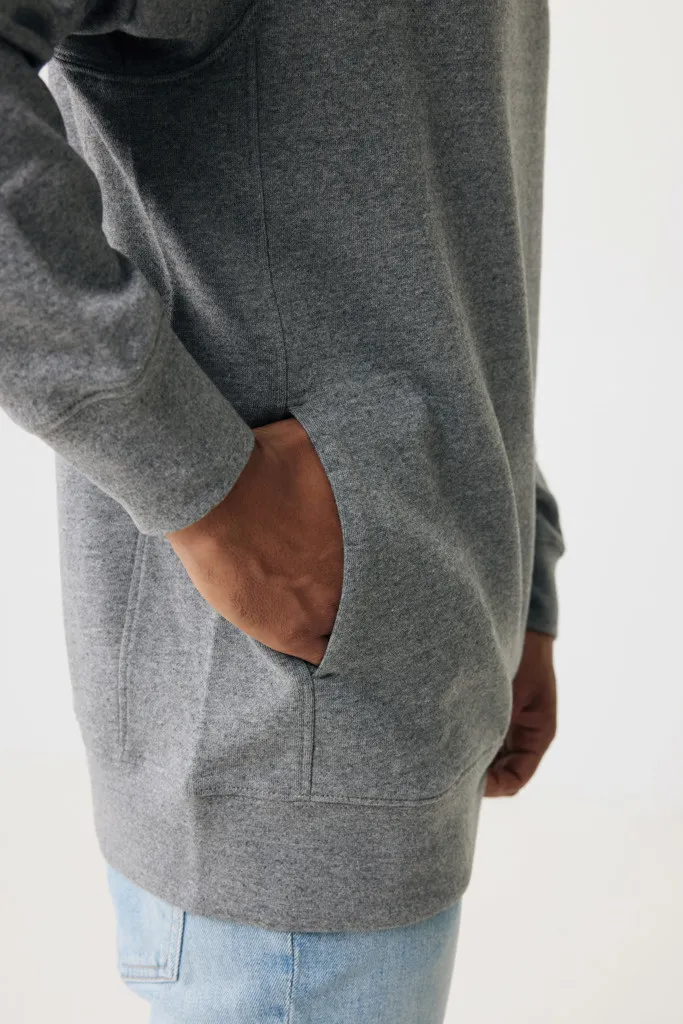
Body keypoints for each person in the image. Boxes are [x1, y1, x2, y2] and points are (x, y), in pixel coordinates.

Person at [0, 0, 566, 1020]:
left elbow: (436, 217)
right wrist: (205, 489)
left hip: (388, 693)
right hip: (281, 735)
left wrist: (516, 555)